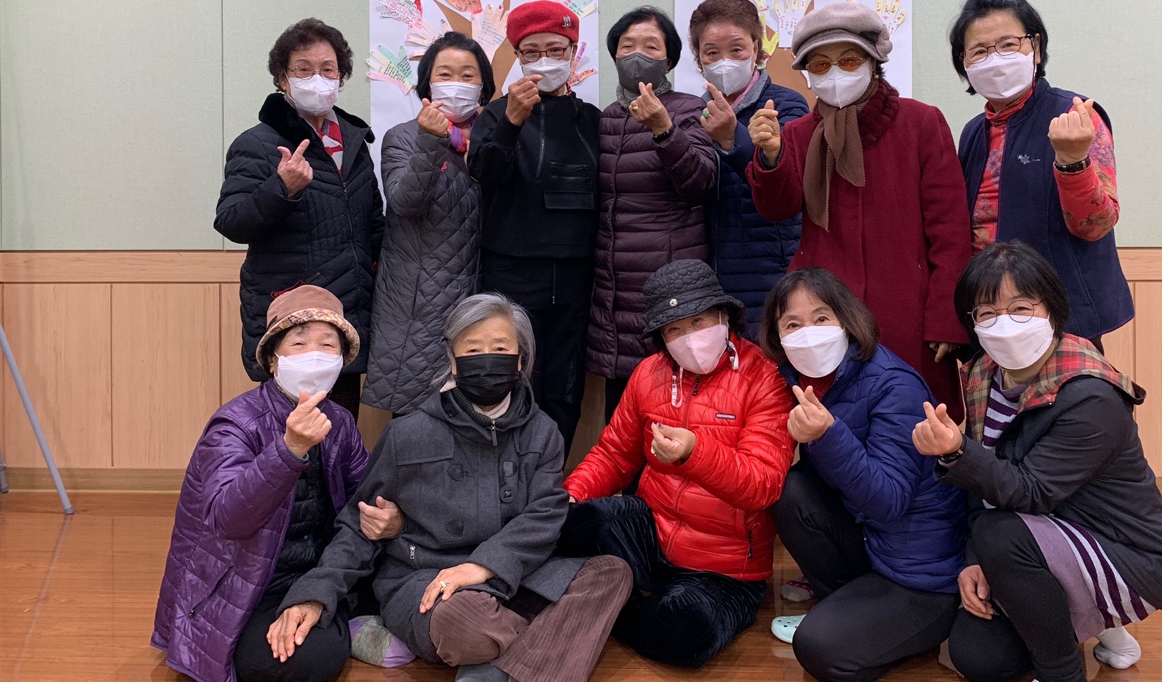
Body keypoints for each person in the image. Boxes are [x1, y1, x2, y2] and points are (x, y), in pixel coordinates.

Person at [271, 293, 632, 682]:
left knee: (612, 573)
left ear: (520, 360)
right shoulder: (408, 434)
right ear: (454, 361)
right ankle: (547, 644)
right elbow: (362, 525)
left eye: (500, 349)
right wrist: (316, 592)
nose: (487, 359)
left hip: (514, 575)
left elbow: (545, 516)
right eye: (473, 350)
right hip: (430, 582)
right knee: (466, 622)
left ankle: (493, 667)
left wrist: (481, 567)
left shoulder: (542, 432)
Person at [914, 241, 1162, 682]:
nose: (1005, 324)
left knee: (999, 533)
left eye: (1021, 308)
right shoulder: (984, 374)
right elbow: (982, 482)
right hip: (1046, 538)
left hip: (1130, 557)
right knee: (978, 657)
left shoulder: (1091, 395)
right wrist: (974, 559)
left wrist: (956, 452)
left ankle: (1062, 670)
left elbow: (1031, 492)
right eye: (986, 313)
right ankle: (1097, 626)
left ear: (1053, 310)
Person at [152, 286, 404, 682]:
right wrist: (289, 449)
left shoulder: (339, 421)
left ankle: (333, 610)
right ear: (273, 360)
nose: (314, 355)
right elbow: (227, 519)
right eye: (299, 344)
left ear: (341, 361)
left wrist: (390, 519)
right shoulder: (235, 424)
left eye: (328, 345)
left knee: (414, 564)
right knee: (300, 659)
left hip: (317, 570)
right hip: (248, 583)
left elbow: (364, 501)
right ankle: (346, 621)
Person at [561, 259, 793, 668]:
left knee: (684, 633)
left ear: (724, 316)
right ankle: (619, 597)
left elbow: (762, 485)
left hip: (725, 568)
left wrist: (693, 454)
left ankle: (607, 605)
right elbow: (614, 454)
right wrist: (570, 498)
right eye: (674, 329)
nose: (689, 338)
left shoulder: (764, 379)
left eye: (698, 321)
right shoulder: (647, 373)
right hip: (651, 532)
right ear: (661, 337)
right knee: (567, 520)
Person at [746, 1, 971, 413]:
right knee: (833, 426)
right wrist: (771, 156)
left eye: (849, 60)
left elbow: (950, 232)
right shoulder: (798, 134)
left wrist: (946, 319)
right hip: (826, 315)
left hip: (908, 312)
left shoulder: (920, 123)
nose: (834, 73)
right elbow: (778, 209)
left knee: (915, 422)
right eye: (820, 64)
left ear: (874, 62)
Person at [757, 268, 967, 681]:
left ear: (847, 320)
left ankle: (913, 628)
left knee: (817, 648)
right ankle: (847, 606)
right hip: (872, 544)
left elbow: (889, 501)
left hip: (922, 571)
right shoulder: (799, 381)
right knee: (792, 489)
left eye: (821, 318)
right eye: (792, 325)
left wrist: (828, 434)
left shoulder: (894, 384)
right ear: (777, 337)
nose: (808, 333)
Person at [215, 18, 384, 418]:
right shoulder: (257, 144)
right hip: (290, 315)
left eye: (328, 69)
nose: (317, 79)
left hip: (345, 316)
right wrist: (282, 188)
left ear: (341, 77)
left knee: (340, 427)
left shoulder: (354, 143)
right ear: (282, 78)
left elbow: (373, 223)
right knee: (288, 432)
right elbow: (231, 221)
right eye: (303, 69)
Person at [950, 0, 1133, 350]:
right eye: (980, 51)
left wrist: (1073, 160)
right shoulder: (973, 133)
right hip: (990, 317)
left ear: (1035, 47)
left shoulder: (1075, 115)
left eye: (1008, 45)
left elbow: (1096, 224)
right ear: (964, 63)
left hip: (1063, 319)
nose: (995, 59)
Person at [469, 1, 601, 451]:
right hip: (511, 270)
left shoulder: (592, 119)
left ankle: (550, 475)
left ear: (573, 52)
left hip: (575, 273)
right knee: (509, 375)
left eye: (555, 50)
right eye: (531, 51)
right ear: (518, 56)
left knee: (565, 383)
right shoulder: (496, 114)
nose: (545, 60)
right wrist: (510, 123)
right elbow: (484, 174)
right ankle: (505, 474)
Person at [589, 7, 718, 418]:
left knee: (676, 406)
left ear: (669, 61)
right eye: (627, 46)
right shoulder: (606, 119)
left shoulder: (686, 110)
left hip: (669, 283)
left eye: (650, 47)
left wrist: (664, 129)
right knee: (623, 413)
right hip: (613, 287)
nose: (636, 56)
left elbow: (701, 182)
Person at [363, 32, 493, 415]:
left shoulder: (494, 139)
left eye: (468, 75)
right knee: (415, 416)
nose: (457, 84)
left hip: (478, 296)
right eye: (445, 74)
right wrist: (430, 141)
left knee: (475, 411)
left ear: (483, 85)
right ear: (428, 83)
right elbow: (405, 203)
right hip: (417, 303)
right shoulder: (403, 137)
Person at [689, 0, 808, 336]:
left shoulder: (785, 106)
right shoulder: (692, 113)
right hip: (709, 271)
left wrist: (732, 138)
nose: (724, 61)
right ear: (699, 59)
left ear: (756, 49)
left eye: (737, 49)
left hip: (769, 265)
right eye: (712, 53)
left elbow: (788, 184)